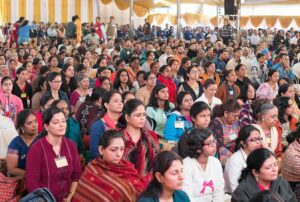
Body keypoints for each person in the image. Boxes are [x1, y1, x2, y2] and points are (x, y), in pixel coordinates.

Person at [26, 107, 82, 202]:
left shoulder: (70, 145)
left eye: (63, 121)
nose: (61, 125)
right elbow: (32, 183)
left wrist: (70, 197)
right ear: (46, 126)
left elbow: (76, 175)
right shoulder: (37, 149)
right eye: (56, 122)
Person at [73, 130, 146, 201]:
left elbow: (139, 191)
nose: (119, 154)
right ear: (101, 150)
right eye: (114, 150)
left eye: (122, 149)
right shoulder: (92, 170)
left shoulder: (128, 167)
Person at [117, 99, 160, 183]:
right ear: (127, 117)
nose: (142, 118)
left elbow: (157, 161)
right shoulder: (117, 137)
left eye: (144, 115)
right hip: (123, 184)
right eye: (138, 115)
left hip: (149, 184)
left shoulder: (151, 136)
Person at [232, 148, 296, 202]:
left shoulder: (281, 181)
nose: (274, 169)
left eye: (275, 164)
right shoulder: (242, 192)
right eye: (268, 167)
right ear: (255, 172)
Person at [181, 128, 225, 201]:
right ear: (198, 147)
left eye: (214, 141)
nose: (214, 145)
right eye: (209, 143)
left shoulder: (215, 162)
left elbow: (219, 191)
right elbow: (187, 196)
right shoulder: (186, 165)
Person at [224, 125, 263, 194]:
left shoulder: (258, 155)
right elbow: (235, 189)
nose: (258, 142)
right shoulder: (235, 160)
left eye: (259, 139)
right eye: (253, 140)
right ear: (243, 143)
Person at [89, 90, 123, 160]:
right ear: (106, 105)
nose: (120, 103)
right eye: (116, 101)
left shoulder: (124, 123)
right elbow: (94, 153)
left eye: (121, 101)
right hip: (103, 165)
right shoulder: (98, 125)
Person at [6, 109, 38, 177]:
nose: (34, 125)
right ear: (21, 127)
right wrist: (32, 175)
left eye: (35, 121)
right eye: (29, 123)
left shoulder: (43, 139)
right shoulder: (15, 144)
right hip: (23, 181)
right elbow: (11, 169)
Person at [209, 99, 241, 165]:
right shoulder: (216, 124)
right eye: (234, 116)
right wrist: (234, 157)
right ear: (226, 113)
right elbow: (218, 147)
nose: (237, 118)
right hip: (223, 156)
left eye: (238, 116)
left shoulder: (237, 123)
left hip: (237, 153)